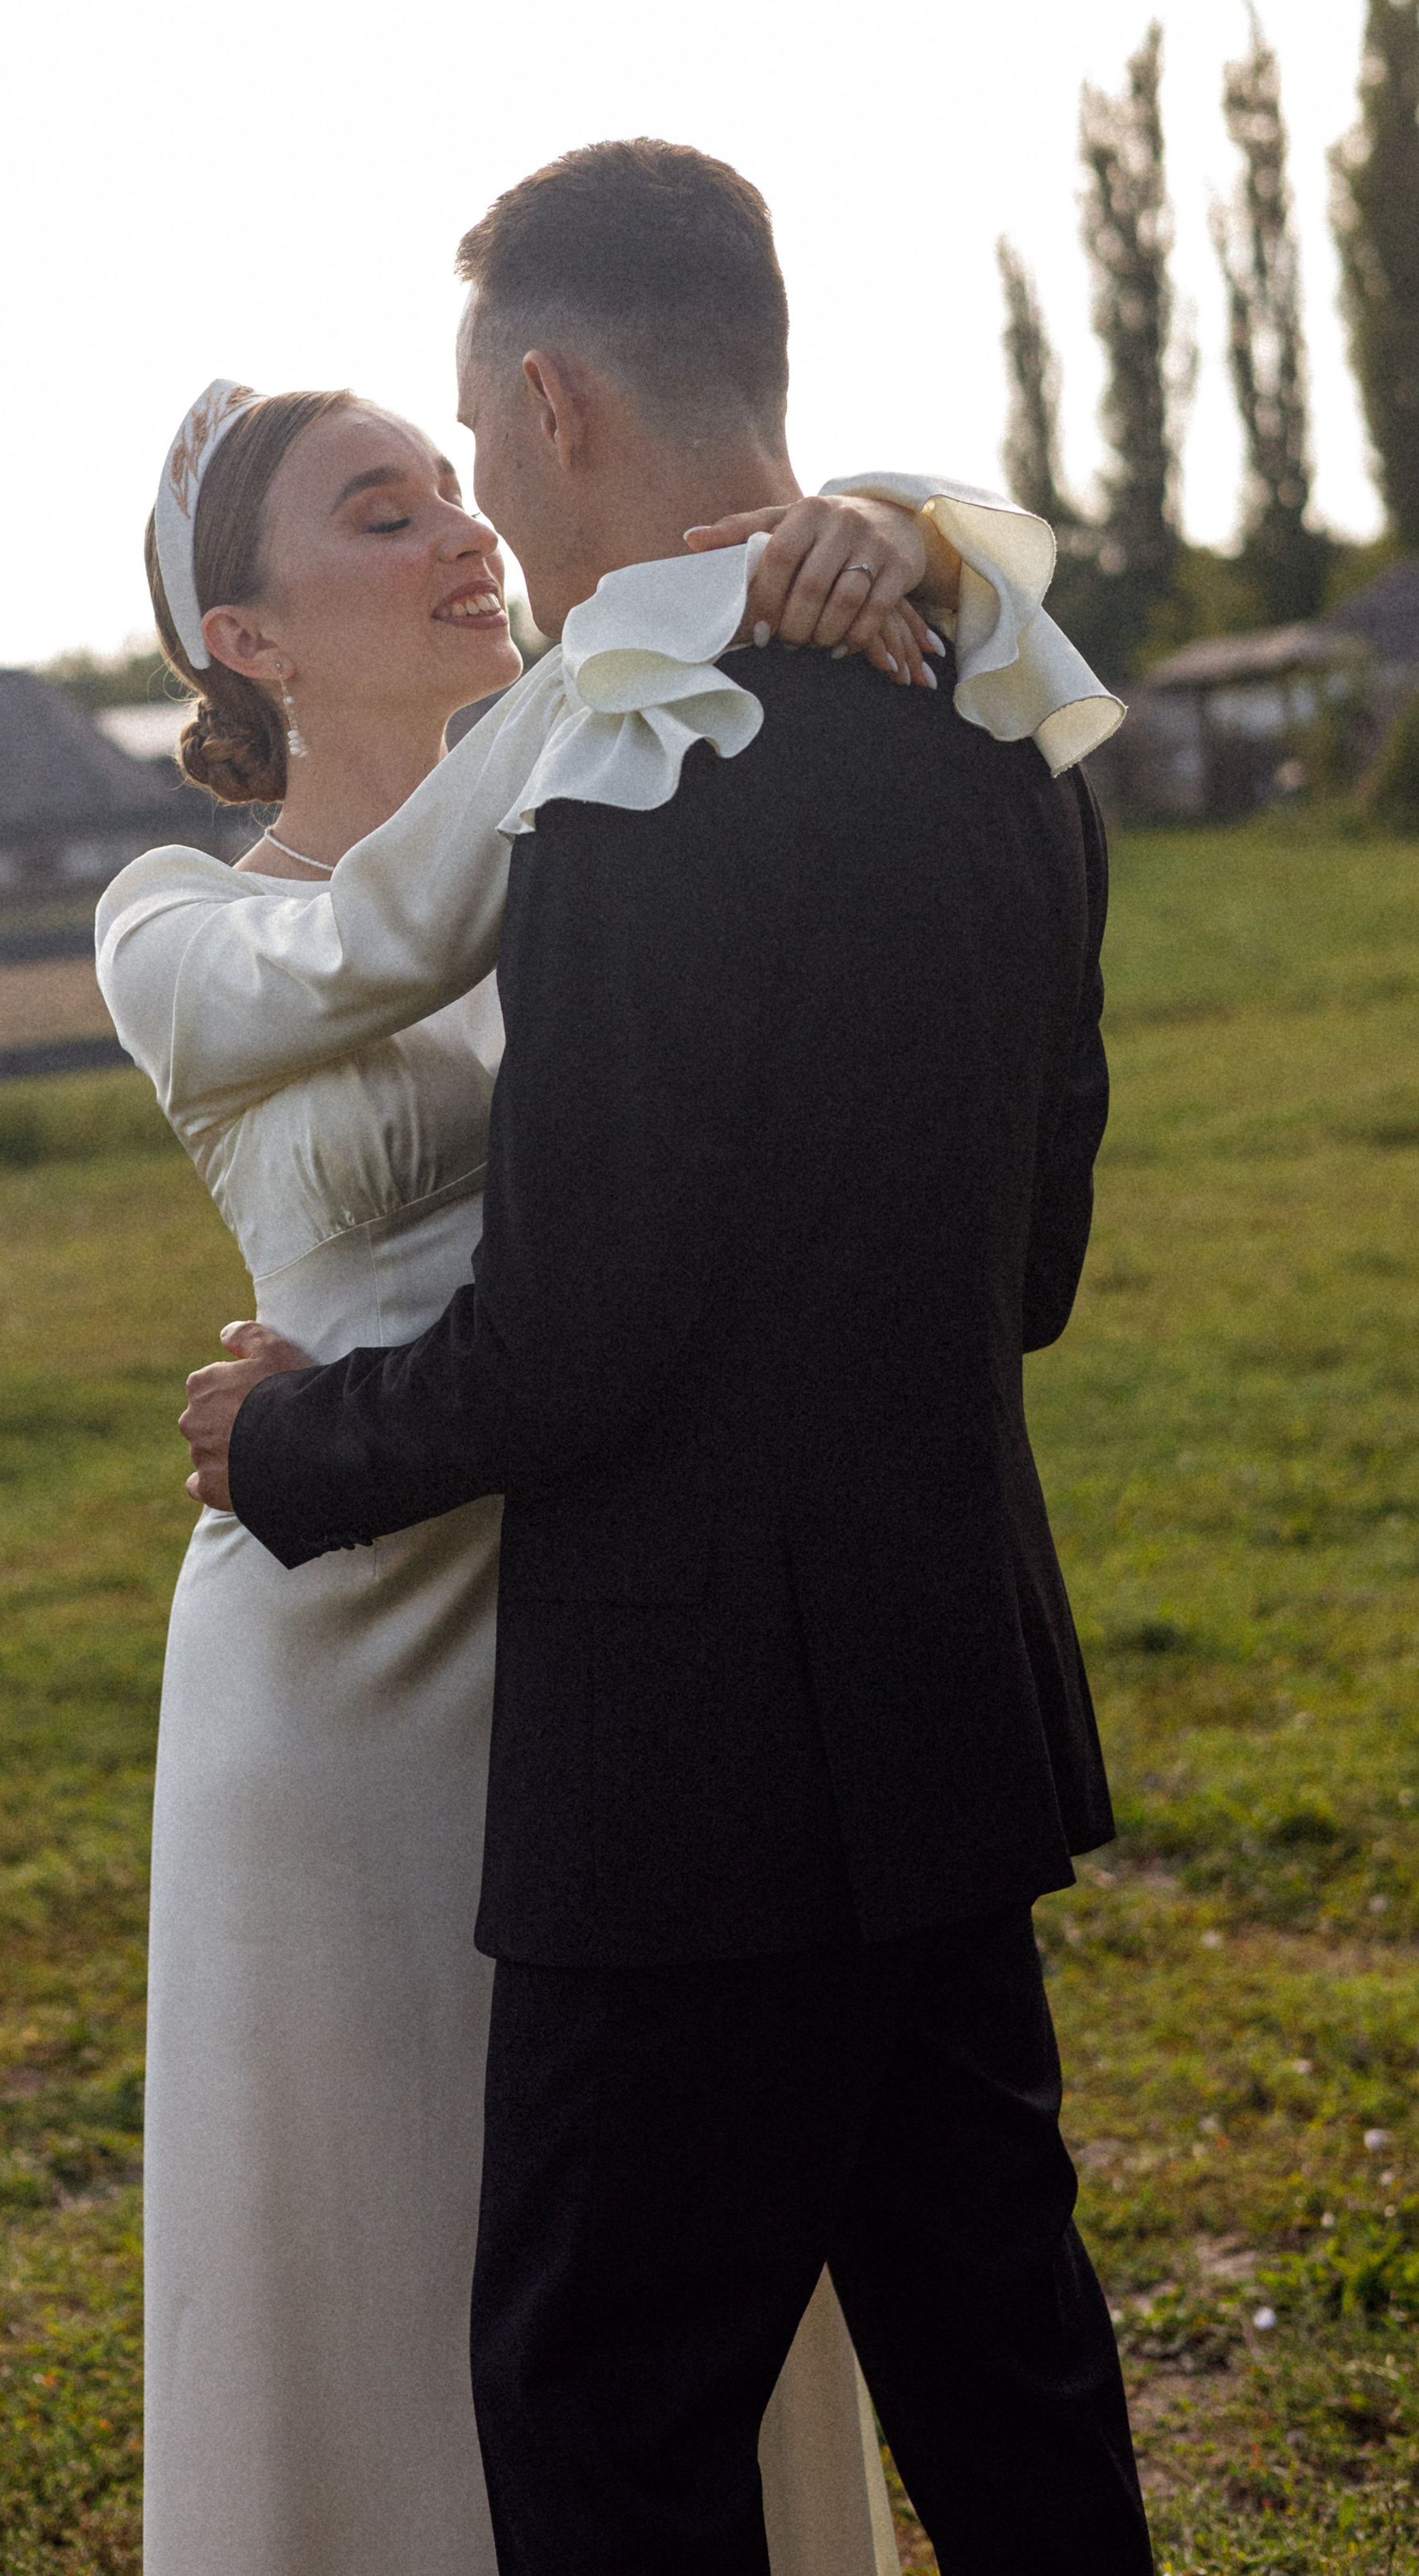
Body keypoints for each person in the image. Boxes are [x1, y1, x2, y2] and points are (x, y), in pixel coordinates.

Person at [180, 139, 1151, 2574]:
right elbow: (1029, 1264)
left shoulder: (634, 766)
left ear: (552, 393)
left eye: (475, 445)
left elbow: (579, 1328)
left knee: (607, 2419)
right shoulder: (992, 719)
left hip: (686, 1774)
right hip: (953, 1718)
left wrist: (296, 1442)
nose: (490, 502)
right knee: (1015, 2391)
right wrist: (920, 528)